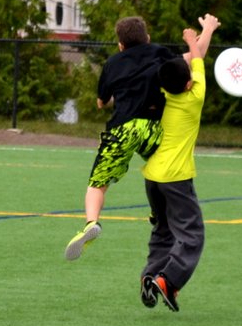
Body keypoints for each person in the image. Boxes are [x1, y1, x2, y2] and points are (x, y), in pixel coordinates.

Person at [65, 16, 183, 260]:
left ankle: (91, 223)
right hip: (152, 126)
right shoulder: (160, 52)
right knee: (159, 170)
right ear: (147, 38)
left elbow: (101, 102)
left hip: (122, 128)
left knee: (98, 183)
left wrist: (114, 97)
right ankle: (159, 213)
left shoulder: (113, 63)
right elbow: (182, 68)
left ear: (120, 44)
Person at [139, 14, 221, 312]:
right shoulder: (194, 97)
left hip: (152, 176)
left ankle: (150, 275)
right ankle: (169, 281)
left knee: (163, 230)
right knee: (192, 235)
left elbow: (189, 61)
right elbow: (198, 57)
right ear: (188, 84)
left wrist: (194, 40)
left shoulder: (161, 93)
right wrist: (205, 31)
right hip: (176, 177)